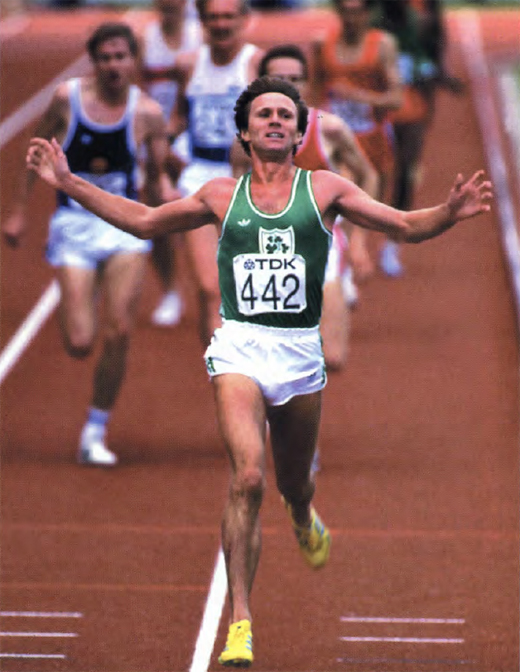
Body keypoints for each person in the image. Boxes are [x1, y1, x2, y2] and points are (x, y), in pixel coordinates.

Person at [26, 76, 492, 666]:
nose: (275, 121)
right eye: (264, 115)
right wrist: (68, 182)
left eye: (285, 115)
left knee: (293, 482)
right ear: (244, 132)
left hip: (298, 353)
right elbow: (144, 221)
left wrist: (448, 214)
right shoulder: (220, 195)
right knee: (247, 477)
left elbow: (400, 225)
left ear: (300, 133)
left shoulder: (325, 189)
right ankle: (241, 619)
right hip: (240, 346)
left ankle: (302, 513)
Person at [2, 22, 172, 467]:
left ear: (133, 60)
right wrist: (19, 210)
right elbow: (36, 152)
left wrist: (165, 191)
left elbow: (156, 174)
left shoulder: (147, 113)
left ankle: (95, 427)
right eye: (106, 57)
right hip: (74, 226)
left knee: (118, 330)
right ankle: (84, 289)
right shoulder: (67, 100)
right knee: (79, 341)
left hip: (122, 227)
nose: (114, 66)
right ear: (94, 62)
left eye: (122, 57)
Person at [232, 43, 379, 370]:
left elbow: (368, 176)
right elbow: (236, 196)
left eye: (294, 79)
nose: (287, 86)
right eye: (277, 78)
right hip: (267, 250)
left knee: (333, 359)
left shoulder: (330, 128)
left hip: (322, 243)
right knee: (268, 358)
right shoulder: (245, 139)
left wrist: (358, 242)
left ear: (306, 84)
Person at [169, 0, 263, 345]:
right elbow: (178, 119)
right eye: (213, 17)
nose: (221, 24)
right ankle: (220, 370)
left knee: (244, 286)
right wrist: (167, 163)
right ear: (203, 22)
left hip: (248, 182)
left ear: (243, 20)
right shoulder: (187, 64)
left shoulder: (255, 63)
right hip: (199, 178)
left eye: (228, 16)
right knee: (210, 287)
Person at [314, 0, 404, 277]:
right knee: (341, 195)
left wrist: (359, 96)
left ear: (368, 13)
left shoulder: (382, 45)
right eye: (346, 11)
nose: (351, 18)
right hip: (337, 138)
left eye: (357, 11)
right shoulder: (322, 44)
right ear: (338, 11)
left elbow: (396, 98)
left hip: (372, 137)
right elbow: (312, 90)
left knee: (370, 202)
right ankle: (347, 264)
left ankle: (368, 248)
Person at [140, 0, 203, 327]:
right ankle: (170, 291)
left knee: (203, 215)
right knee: (157, 217)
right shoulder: (145, 39)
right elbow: (136, 86)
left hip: (191, 137)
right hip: (154, 139)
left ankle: (210, 287)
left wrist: (180, 128)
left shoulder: (199, 35)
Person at [374, 0, 464, 217]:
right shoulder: (376, 21)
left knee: (406, 161)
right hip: (383, 103)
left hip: (413, 100)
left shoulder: (424, 19)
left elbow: (434, 47)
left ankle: (398, 219)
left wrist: (440, 74)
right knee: (382, 162)